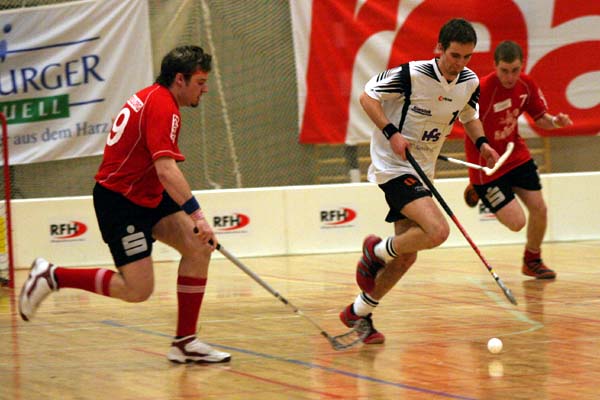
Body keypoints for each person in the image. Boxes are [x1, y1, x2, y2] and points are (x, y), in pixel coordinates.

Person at [18, 45, 231, 364]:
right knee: (137, 290)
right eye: (200, 82)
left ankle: (185, 342)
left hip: (147, 192)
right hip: (120, 201)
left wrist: (194, 222)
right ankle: (52, 275)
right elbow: (166, 169)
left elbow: (159, 173)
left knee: (199, 249)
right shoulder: (163, 106)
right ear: (180, 79)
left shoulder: (155, 97)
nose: (205, 89)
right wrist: (198, 216)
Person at [339, 18, 499, 344]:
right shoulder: (411, 75)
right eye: (454, 55)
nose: (459, 64)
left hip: (423, 170)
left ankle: (358, 313)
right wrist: (392, 133)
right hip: (393, 165)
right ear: (439, 48)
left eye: (467, 57)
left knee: (406, 255)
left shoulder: (469, 82)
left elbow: (469, 117)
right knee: (438, 231)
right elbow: (367, 97)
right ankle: (375, 251)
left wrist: (483, 144)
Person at [463, 40, 573, 280]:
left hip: (515, 155)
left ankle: (532, 261)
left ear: (521, 65)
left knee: (540, 209)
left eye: (515, 70)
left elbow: (540, 118)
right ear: (495, 66)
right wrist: (484, 148)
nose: (510, 77)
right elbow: (468, 122)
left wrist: (555, 122)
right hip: (487, 165)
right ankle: (479, 187)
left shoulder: (526, 84)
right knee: (516, 223)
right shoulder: (481, 90)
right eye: (504, 70)